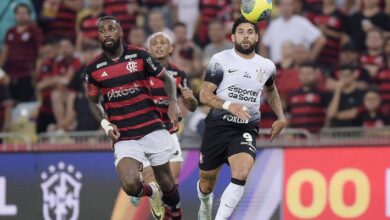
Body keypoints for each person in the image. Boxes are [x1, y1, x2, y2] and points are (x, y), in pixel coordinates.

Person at [84, 16, 182, 220]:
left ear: (120, 32)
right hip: (124, 135)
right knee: (130, 185)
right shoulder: (93, 68)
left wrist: (173, 103)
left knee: (166, 181)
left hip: (152, 128)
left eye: (111, 29)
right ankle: (151, 193)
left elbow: (167, 79)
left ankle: (176, 212)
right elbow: (92, 101)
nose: (107, 33)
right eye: (102, 30)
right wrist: (105, 124)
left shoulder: (139, 55)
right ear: (99, 36)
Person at [197, 17, 287, 220]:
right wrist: (229, 105)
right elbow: (204, 95)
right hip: (217, 127)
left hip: (245, 129)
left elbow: (271, 90)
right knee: (206, 185)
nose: (245, 36)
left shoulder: (267, 66)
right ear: (232, 37)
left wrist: (281, 116)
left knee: (242, 172)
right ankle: (204, 202)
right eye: (240, 32)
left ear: (256, 38)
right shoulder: (220, 60)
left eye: (250, 32)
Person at [130, 32, 198, 209]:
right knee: (152, 179)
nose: (159, 46)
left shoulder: (179, 74)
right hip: (145, 133)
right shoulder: (140, 73)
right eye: (154, 43)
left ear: (171, 48)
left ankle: (168, 210)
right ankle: (141, 187)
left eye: (163, 43)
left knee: (172, 180)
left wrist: (190, 99)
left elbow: (192, 107)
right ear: (148, 49)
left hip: (169, 133)